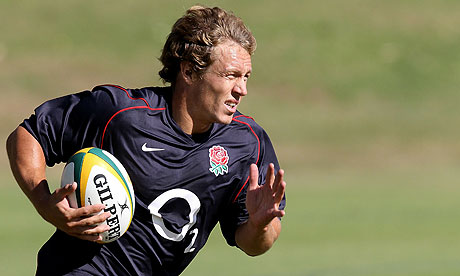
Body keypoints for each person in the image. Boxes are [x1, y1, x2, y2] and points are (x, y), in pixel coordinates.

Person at [6, 5, 286, 276]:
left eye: (246, 77)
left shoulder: (247, 143)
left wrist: (261, 224)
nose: (242, 89)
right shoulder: (121, 115)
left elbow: (252, 243)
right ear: (188, 72)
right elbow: (29, 135)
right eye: (231, 76)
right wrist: (44, 203)